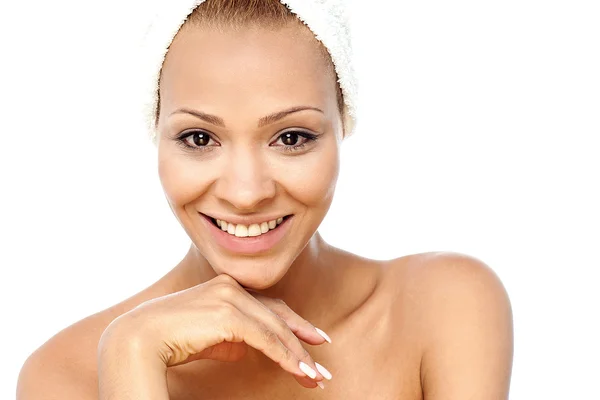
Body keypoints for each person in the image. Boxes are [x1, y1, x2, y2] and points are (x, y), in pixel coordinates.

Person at [17, 0, 514, 398]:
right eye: (198, 139)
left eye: (292, 137)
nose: (246, 192)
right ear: (156, 134)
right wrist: (132, 357)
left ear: (345, 126)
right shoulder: (67, 375)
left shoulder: (439, 307)